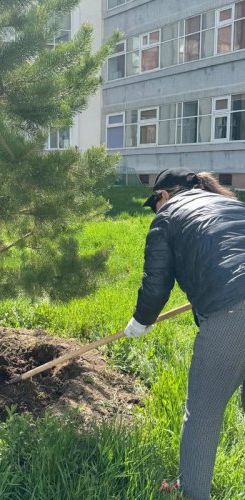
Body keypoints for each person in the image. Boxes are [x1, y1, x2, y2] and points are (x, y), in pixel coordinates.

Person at [123, 168, 245, 500]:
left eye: (155, 203)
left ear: (163, 195)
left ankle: (190, 493)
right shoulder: (235, 207)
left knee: (203, 414)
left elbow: (156, 282)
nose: (156, 210)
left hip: (232, 313)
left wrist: (141, 320)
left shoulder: (167, 217)